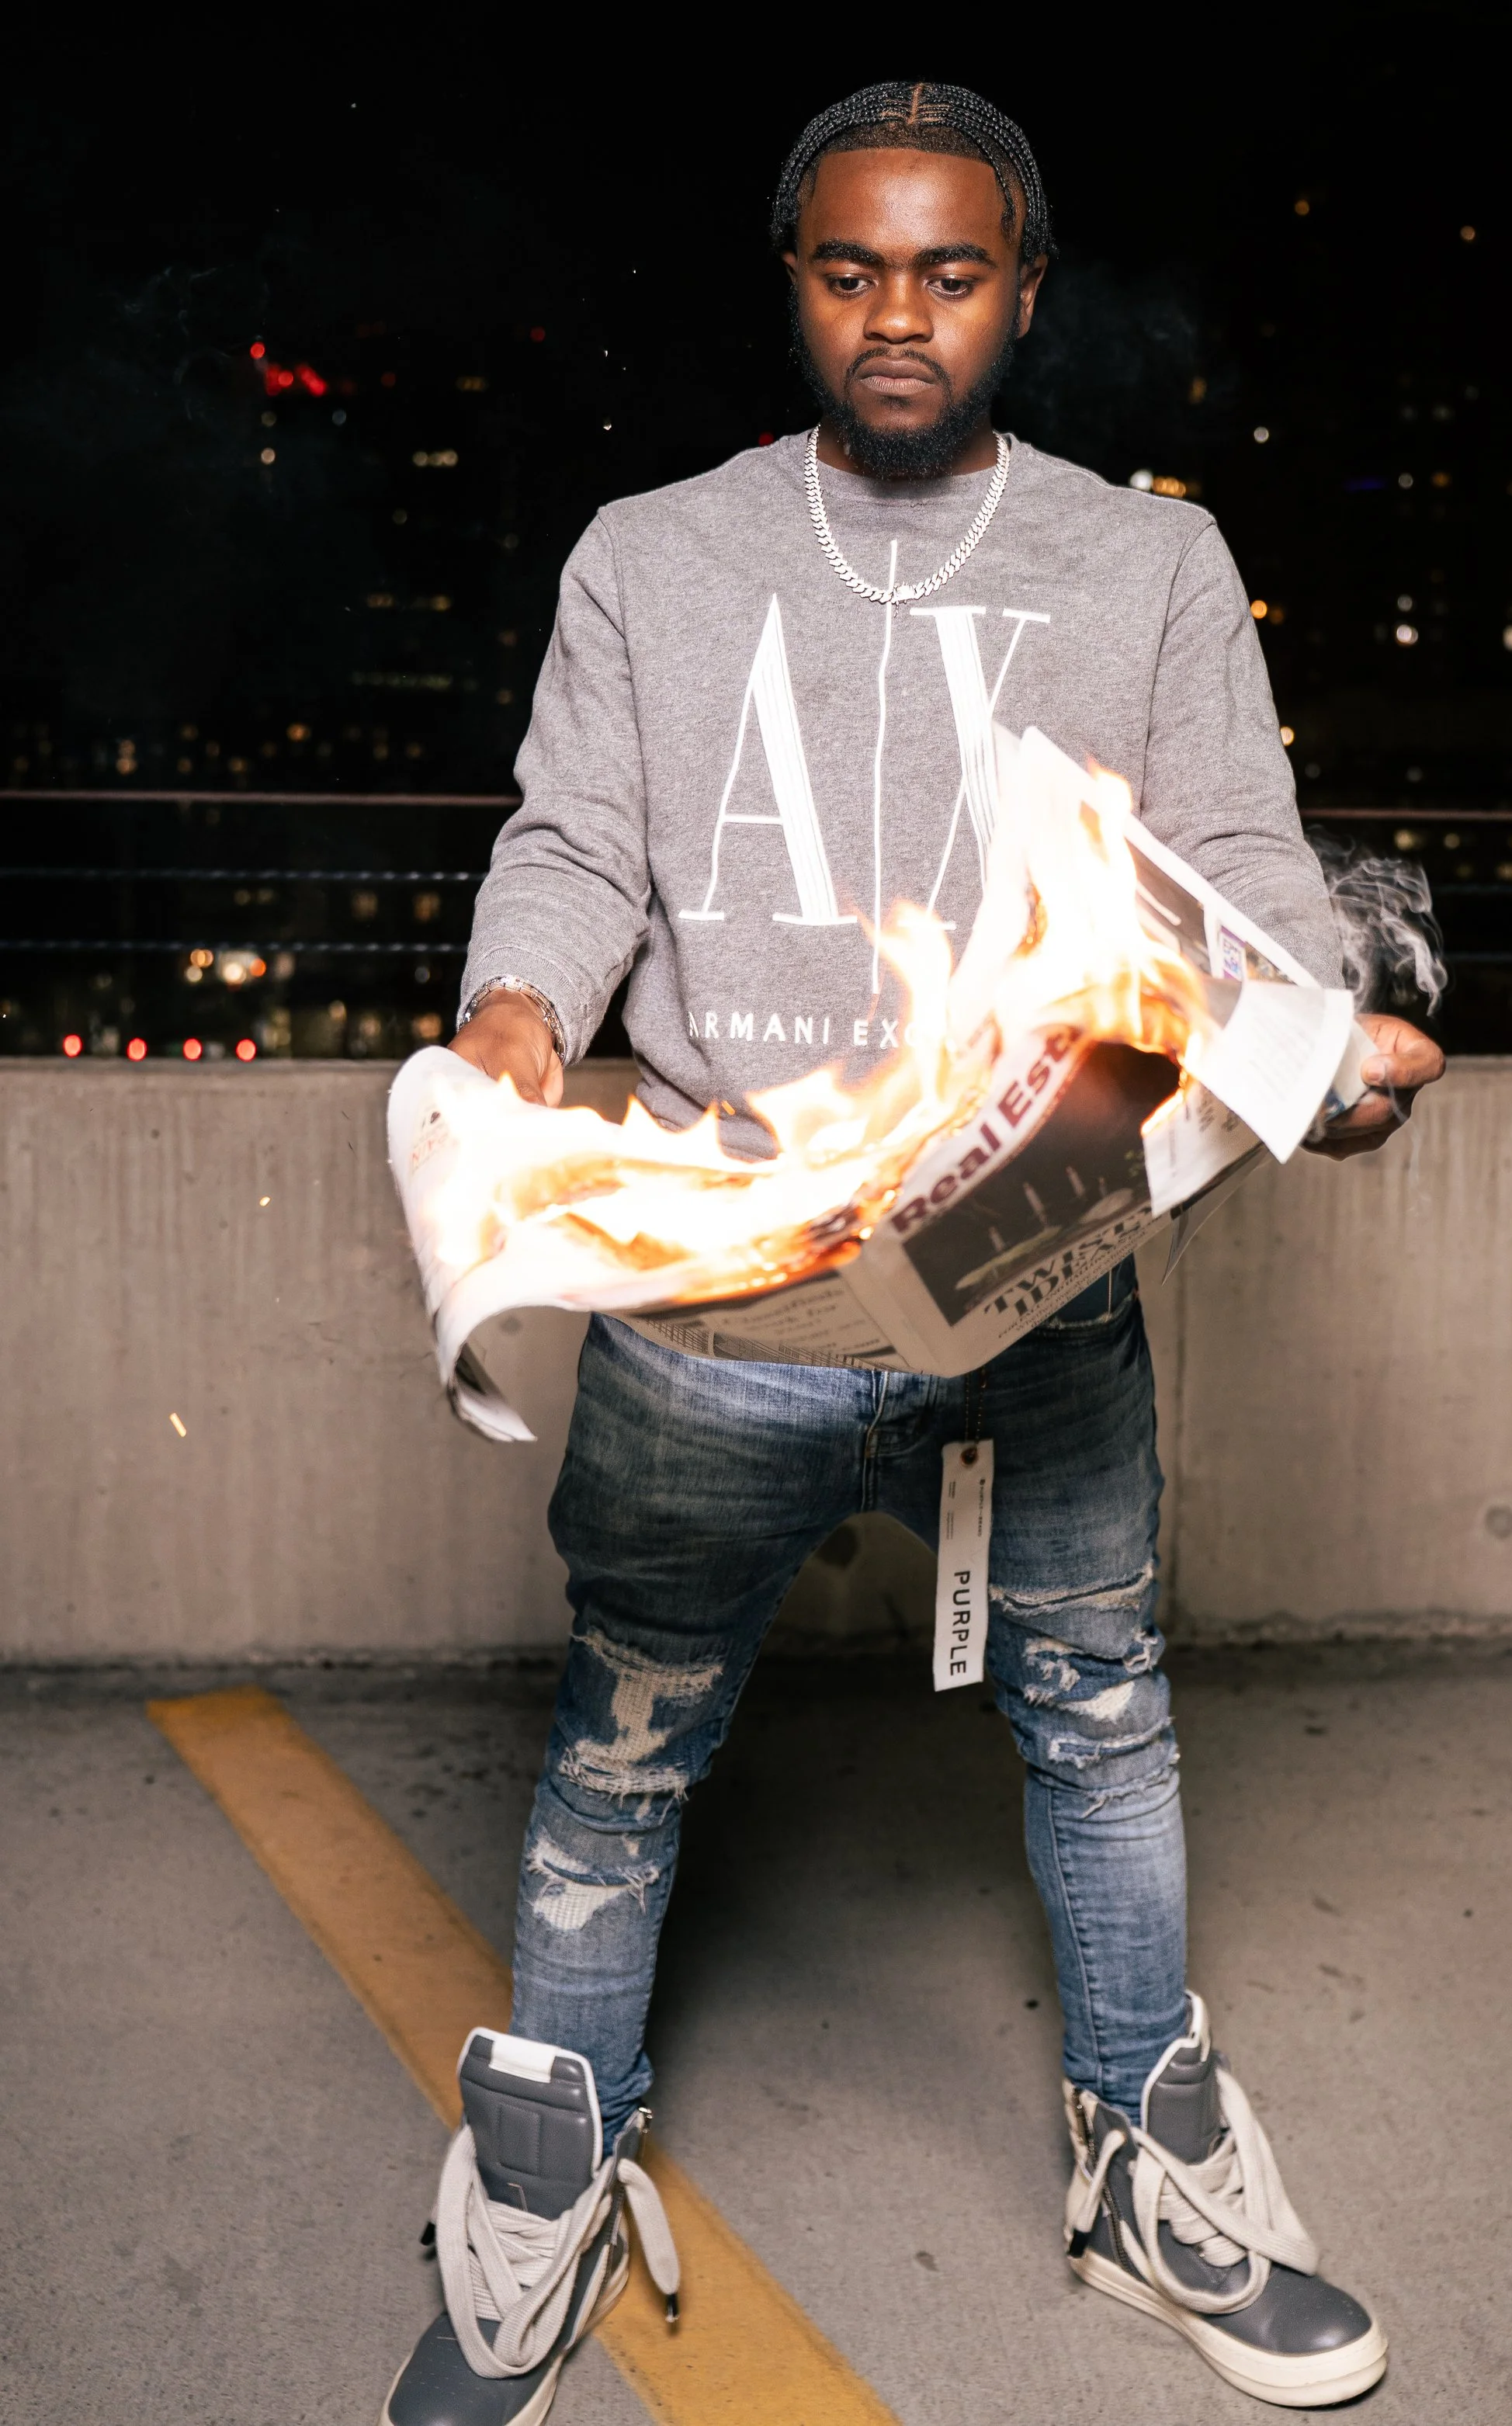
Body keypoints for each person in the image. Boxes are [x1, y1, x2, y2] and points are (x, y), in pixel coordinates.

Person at [383, 79, 1445, 2426]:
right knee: (623, 1747)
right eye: (850, 268)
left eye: (948, 273)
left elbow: (1243, 872)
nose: (897, 314)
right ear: (793, 283)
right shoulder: (650, 553)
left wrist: (1318, 1047)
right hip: (720, 1290)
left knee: (1103, 1722)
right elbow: (575, 843)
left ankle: (1150, 2169)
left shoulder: (1149, 567)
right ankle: (546, 2186)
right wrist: (514, 1016)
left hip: (1034, 1264)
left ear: (1022, 293)